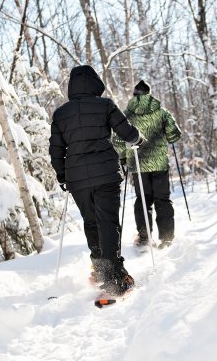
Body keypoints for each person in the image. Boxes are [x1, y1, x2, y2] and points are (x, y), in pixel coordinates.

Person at [49, 65, 144, 296]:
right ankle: (115, 276)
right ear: (94, 83)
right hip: (106, 175)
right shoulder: (105, 106)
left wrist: (62, 176)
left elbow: (56, 151)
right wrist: (137, 138)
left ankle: (101, 271)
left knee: (91, 222)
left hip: (77, 179)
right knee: (108, 222)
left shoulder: (61, 114)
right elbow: (127, 133)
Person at [114, 80, 182, 249]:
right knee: (162, 200)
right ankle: (166, 238)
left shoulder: (126, 115)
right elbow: (174, 136)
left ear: (135, 95)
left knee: (143, 200)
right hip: (159, 164)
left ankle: (144, 238)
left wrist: (122, 158)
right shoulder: (162, 112)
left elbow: (118, 141)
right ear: (149, 94)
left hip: (138, 165)